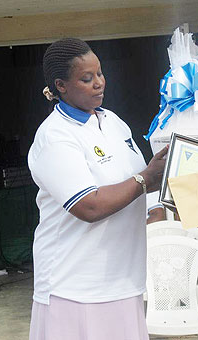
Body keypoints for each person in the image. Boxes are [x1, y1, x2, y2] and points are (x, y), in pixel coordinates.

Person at [27, 38, 167, 340]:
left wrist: (158, 206)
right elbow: (89, 206)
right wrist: (146, 179)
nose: (98, 84)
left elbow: (137, 179)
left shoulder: (112, 122)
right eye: (86, 79)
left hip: (123, 279)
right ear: (61, 85)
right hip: (76, 287)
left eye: (100, 74)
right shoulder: (55, 136)